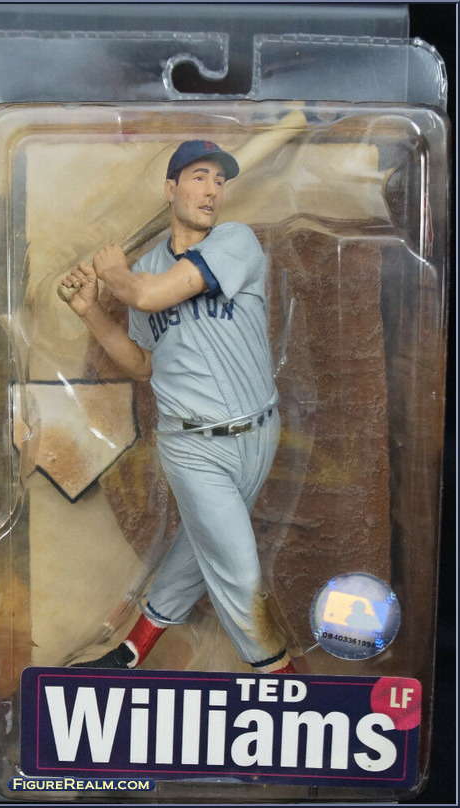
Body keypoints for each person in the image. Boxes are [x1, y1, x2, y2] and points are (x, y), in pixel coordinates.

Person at [61, 140, 295, 674]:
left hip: (260, 432)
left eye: (219, 180)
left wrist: (115, 276)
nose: (212, 190)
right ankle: (283, 683)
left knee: (199, 547)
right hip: (192, 446)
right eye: (198, 177)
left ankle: (128, 652)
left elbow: (149, 295)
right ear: (170, 188)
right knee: (238, 570)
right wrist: (90, 310)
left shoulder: (236, 242)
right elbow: (143, 363)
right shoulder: (145, 267)